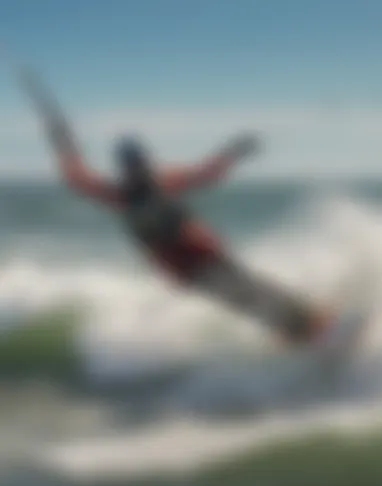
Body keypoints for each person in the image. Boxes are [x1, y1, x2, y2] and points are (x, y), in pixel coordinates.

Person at [17, 69, 332, 345]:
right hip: (179, 267)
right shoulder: (116, 194)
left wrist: (235, 150)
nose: (137, 170)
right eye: (131, 166)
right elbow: (75, 174)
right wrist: (57, 130)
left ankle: (305, 320)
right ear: (123, 168)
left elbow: (206, 173)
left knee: (247, 285)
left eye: (139, 163)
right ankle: (296, 328)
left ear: (144, 161)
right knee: (237, 298)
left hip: (202, 250)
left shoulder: (162, 180)